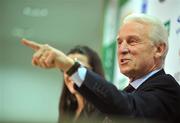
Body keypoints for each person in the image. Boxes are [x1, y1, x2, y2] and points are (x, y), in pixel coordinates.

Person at [21, 13, 180, 123]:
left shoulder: (168, 91)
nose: (122, 49)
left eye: (132, 41)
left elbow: (127, 109)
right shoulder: (128, 92)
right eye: (119, 42)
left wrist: (69, 65)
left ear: (159, 49)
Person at [59, 45, 105, 123]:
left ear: (94, 73)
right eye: (67, 68)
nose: (71, 74)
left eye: (78, 67)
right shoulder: (69, 109)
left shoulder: (104, 111)